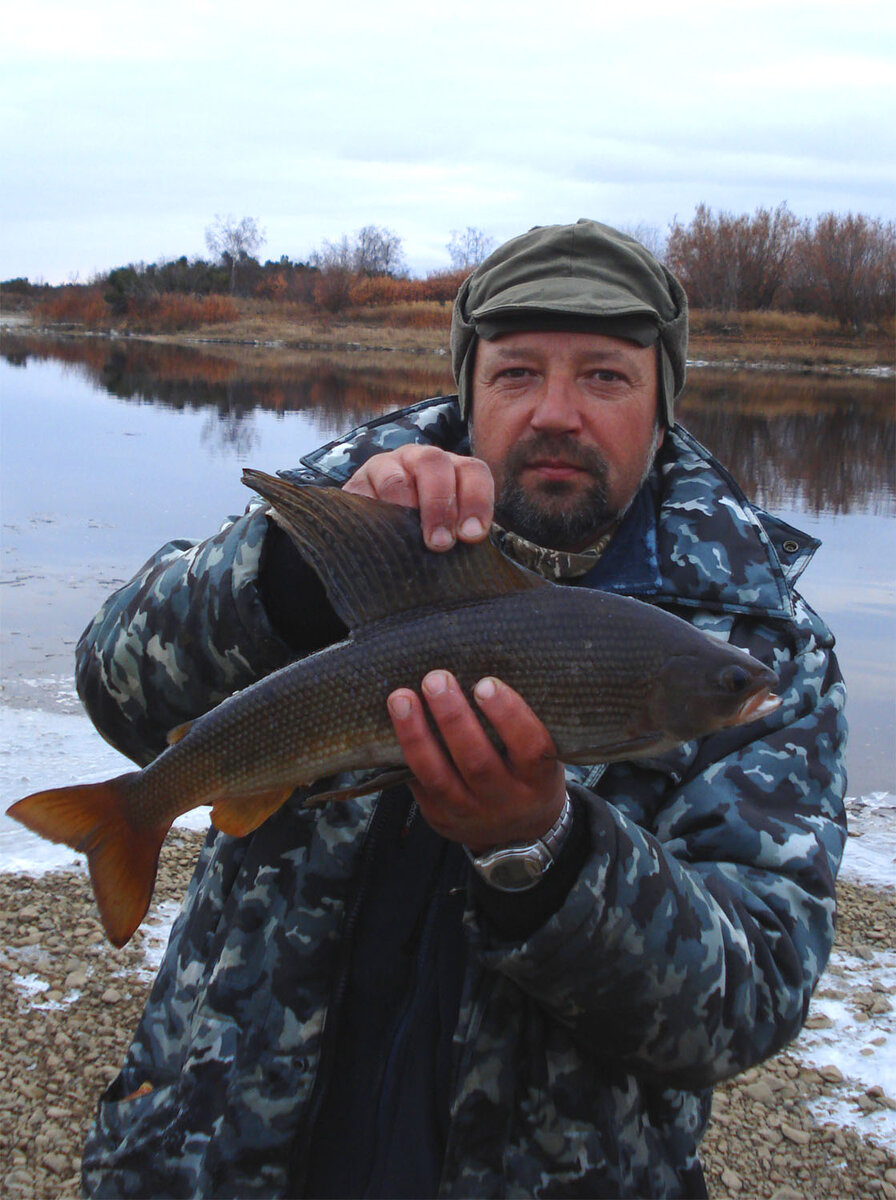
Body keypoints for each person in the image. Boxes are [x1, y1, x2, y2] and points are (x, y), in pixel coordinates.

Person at [77, 220, 847, 1199]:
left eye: (605, 376)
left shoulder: (761, 644)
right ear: (467, 386)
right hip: (215, 1162)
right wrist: (294, 577)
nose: (556, 412)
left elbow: (744, 1002)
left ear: (664, 400)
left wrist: (544, 855)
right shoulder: (343, 508)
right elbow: (112, 683)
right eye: (517, 372)